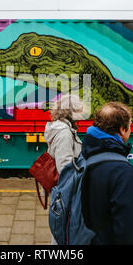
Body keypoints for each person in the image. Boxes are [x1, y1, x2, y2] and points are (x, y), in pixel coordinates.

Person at [81, 101, 133, 245]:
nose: (130, 131)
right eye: (129, 127)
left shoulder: (84, 154)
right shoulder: (122, 171)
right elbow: (129, 229)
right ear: (122, 129)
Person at [44, 94, 86, 245]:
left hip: (64, 189)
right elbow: (65, 167)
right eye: (80, 109)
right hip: (66, 190)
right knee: (63, 227)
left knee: (62, 227)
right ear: (72, 111)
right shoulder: (64, 133)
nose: (83, 112)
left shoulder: (64, 129)